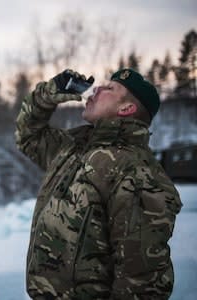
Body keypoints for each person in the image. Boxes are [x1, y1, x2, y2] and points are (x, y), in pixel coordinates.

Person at [15, 68, 182, 299]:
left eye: (110, 89)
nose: (97, 89)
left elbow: (141, 282)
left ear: (126, 109)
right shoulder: (74, 146)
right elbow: (28, 136)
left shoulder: (136, 172)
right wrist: (49, 94)